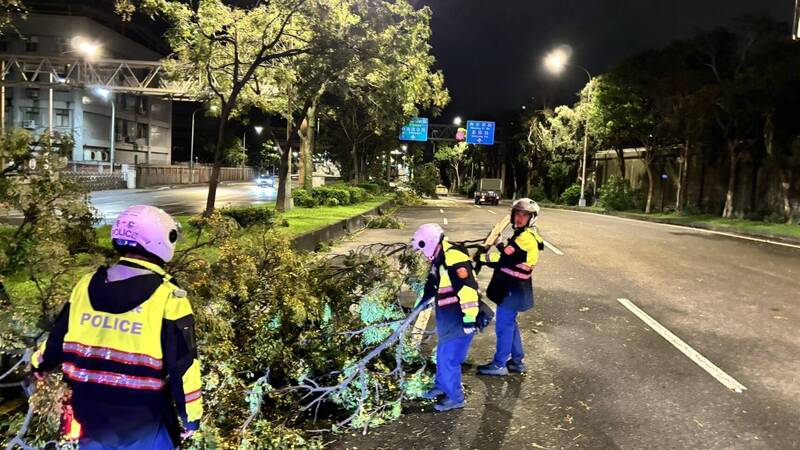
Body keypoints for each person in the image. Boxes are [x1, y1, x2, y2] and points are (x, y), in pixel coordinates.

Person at [32, 205, 203, 449]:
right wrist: (191, 418)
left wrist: (40, 362)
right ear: (162, 240)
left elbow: (58, 336)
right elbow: (184, 366)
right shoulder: (169, 297)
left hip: (90, 416)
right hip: (143, 420)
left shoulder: (85, 284)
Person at [411, 223, 480, 412]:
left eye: (423, 249)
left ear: (431, 243)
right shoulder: (440, 257)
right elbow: (433, 284)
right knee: (442, 355)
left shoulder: (454, 259)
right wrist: (419, 306)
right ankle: (442, 386)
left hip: (460, 318)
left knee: (450, 358)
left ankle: (455, 398)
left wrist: (469, 320)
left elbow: (468, 290)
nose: (423, 254)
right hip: (448, 316)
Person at [475, 198, 544, 376]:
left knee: (504, 326)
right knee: (510, 324)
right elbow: (508, 254)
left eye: (524, 215)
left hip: (512, 290)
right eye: (517, 214)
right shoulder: (523, 235)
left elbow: (505, 256)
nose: (520, 218)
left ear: (531, 218)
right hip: (515, 287)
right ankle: (517, 361)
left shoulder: (526, 238)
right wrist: (496, 244)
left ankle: (499, 365)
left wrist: (481, 258)